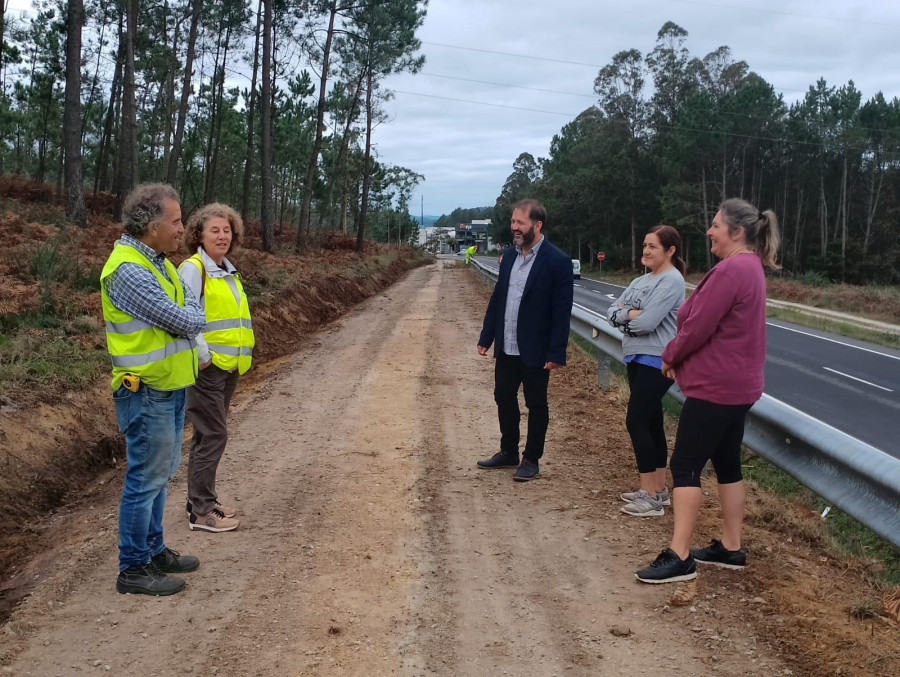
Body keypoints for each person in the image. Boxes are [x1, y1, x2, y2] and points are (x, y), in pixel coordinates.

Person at [636, 199, 780, 584]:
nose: (709, 231)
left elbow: (698, 325)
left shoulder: (731, 270)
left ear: (737, 232)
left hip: (716, 387)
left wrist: (670, 354)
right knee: (728, 463)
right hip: (740, 386)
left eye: (715, 225)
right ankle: (731, 547)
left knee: (684, 465)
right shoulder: (753, 268)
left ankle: (679, 556)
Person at [100, 184, 206, 596]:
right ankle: (133, 568)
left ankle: (154, 549)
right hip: (145, 391)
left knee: (160, 477)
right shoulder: (128, 269)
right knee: (145, 479)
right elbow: (184, 319)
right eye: (176, 221)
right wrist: (193, 310)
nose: (182, 229)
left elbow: (184, 315)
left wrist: (189, 311)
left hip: (168, 386)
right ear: (150, 225)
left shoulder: (157, 263)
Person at [476, 199, 574, 481]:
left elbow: (560, 311)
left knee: (536, 403)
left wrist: (556, 351)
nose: (514, 228)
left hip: (536, 348)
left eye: (520, 222)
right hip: (507, 344)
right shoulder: (509, 257)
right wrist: (487, 336)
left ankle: (531, 458)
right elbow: (498, 299)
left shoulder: (557, 261)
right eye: (513, 222)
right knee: (503, 396)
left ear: (537, 225)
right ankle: (509, 451)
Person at [178, 204, 254, 533]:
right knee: (214, 434)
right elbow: (185, 315)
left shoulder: (226, 269)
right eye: (215, 230)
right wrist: (202, 356)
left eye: (227, 230)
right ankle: (202, 512)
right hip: (207, 368)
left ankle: (199, 499)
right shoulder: (195, 269)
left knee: (206, 435)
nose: (222, 236)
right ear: (199, 234)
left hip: (228, 367)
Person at [607, 225, 685, 517]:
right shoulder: (641, 280)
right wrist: (628, 315)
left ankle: (649, 496)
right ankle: (660, 490)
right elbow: (611, 310)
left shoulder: (671, 281)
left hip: (659, 359)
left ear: (670, 251)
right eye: (644, 246)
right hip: (636, 356)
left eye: (652, 246)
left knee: (636, 420)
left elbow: (647, 323)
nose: (646, 251)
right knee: (651, 422)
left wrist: (625, 318)